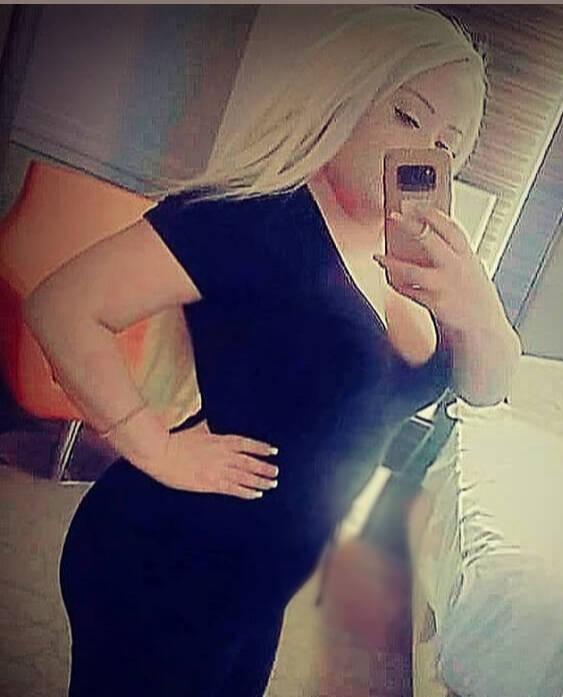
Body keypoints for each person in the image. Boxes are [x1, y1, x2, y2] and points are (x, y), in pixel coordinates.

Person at [23, 6, 522, 696]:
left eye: (448, 143)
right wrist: (153, 445)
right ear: (345, 98)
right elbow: (62, 304)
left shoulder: (426, 255)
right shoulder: (251, 215)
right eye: (408, 116)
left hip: (258, 586)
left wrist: (480, 312)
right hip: (167, 558)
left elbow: (485, 388)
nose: (424, 149)